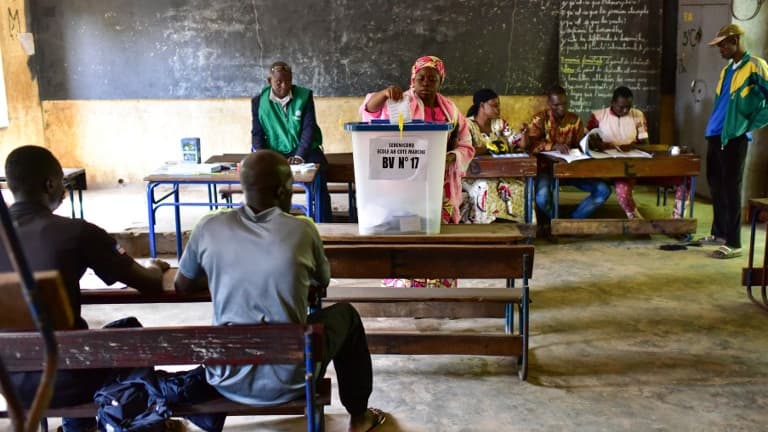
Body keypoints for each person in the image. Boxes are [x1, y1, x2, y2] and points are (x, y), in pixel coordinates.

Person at [174, 150, 386, 432]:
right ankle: (359, 416)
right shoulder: (302, 230)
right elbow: (322, 281)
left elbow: (182, 285)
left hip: (225, 377)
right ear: (282, 191)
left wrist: (220, 273)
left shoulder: (209, 227)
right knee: (346, 315)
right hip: (293, 377)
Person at [0, 146, 172, 432]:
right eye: (63, 185)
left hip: (8, 382)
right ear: (50, 184)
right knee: (130, 331)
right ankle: (123, 423)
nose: (65, 192)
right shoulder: (77, 232)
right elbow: (149, 285)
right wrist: (158, 267)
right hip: (64, 378)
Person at [361, 55, 474, 288]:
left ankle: (439, 287)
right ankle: (405, 287)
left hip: (440, 185)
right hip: (405, 185)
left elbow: (466, 142)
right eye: (421, 78)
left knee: (439, 235)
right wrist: (384, 94)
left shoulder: (450, 110)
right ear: (413, 79)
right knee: (406, 231)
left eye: (432, 78)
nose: (426, 83)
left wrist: (451, 156)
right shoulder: (401, 101)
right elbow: (370, 112)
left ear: (440, 81)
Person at [702, 24, 768, 259]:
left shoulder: (756, 66)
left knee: (731, 188)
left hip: (734, 136)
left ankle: (734, 242)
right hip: (715, 133)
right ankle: (719, 232)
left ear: (735, 41)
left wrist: (749, 124)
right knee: (716, 185)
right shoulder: (728, 69)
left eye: (723, 45)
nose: (720, 49)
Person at [251, 61, 332, 222]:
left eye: (288, 81)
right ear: (269, 81)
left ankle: (324, 223)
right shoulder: (259, 102)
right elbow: (257, 134)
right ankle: (269, 222)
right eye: (278, 82)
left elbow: (308, 129)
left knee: (320, 177)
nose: (284, 85)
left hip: (305, 150)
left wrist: (300, 155)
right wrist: (263, 157)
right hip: (275, 150)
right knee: (263, 179)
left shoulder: (304, 97)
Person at [525, 85, 611, 224]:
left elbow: (580, 145)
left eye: (564, 104)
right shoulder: (539, 119)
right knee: (542, 198)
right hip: (545, 169)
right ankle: (556, 221)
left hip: (571, 169)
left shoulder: (574, 120)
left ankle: (570, 222)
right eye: (556, 105)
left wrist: (591, 143)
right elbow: (531, 145)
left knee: (603, 190)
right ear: (549, 104)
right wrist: (552, 146)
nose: (561, 108)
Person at [462, 88, 526, 224]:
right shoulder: (467, 125)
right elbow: (465, 149)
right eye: (494, 105)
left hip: (498, 173)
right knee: (484, 186)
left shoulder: (500, 124)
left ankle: (518, 227)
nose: (498, 109)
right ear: (481, 106)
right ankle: (484, 228)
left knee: (520, 186)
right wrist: (488, 148)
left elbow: (518, 143)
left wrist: (524, 134)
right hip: (472, 176)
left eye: (499, 106)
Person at [586, 86, 650, 219]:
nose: (625, 110)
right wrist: (597, 144)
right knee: (616, 188)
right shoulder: (598, 116)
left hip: (630, 164)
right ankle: (637, 221)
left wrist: (632, 146)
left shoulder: (638, 115)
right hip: (605, 164)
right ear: (613, 103)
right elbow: (586, 139)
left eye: (628, 107)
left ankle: (636, 220)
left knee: (623, 189)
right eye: (621, 107)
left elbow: (645, 142)